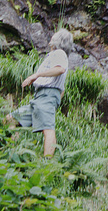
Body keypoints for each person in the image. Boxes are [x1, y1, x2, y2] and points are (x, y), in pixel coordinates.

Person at [6, 28, 73, 157]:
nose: (51, 37)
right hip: (40, 98)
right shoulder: (56, 56)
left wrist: (35, 75)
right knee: (11, 119)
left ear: (59, 40)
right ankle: (13, 153)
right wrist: (55, 100)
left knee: (48, 129)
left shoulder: (58, 53)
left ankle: (46, 165)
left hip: (46, 97)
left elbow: (60, 69)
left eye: (55, 36)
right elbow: (62, 88)